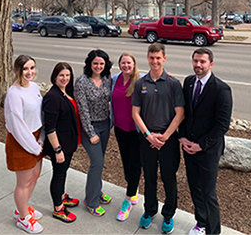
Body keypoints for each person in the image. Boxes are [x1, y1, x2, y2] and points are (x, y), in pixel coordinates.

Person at [132, 43, 185, 234]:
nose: (155, 61)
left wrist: (164, 137)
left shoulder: (173, 84)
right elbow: (135, 113)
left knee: (169, 178)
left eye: (158, 58)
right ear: (147, 58)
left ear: (164, 59)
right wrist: (148, 135)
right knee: (150, 177)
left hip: (168, 139)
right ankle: (149, 211)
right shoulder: (141, 83)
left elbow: (180, 114)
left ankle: (169, 214)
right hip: (147, 140)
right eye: (151, 57)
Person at [179, 48, 233, 235]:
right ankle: (201, 224)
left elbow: (222, 124)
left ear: (211, 64)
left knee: (208, 193)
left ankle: (213, 231)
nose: (198, 65)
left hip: (208, 150)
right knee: (195, 188)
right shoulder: (188, 82)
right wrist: (183, 137)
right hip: (189, 146)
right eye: (195, 61)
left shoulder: (221, 89)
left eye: (202, 62)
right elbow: (185, 114)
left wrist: (201, 145)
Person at [4, 55, 44, 234]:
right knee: (23, 182)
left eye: (32, 68)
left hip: (36, 138)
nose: (30, 72)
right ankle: (22, 218)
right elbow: (17, 126)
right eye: (25, 69)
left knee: (34, 177)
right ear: (16, 70)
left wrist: (41, 140)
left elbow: (40, 114)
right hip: (21, 141)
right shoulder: (13, 93)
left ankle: (23, 208)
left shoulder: (34, 86)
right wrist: (34, 147)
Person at [74, 49, 113, 217]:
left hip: (105, 126)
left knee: (100, 161)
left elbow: (132, 76)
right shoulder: (82, 81)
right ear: (90, 64)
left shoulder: (107, 79)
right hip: (90, 128)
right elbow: (82, 110)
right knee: (96, 162)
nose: (98, 66)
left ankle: (97, 190)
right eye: (95, 63)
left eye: (101, 64)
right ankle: (91, 201)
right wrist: (90, 133)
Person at [42, 62, 79, 223]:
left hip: (68, 142)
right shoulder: (52, 97)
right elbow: (50, 127)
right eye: (61, 75)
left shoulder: (66, 92)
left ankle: (62, 196)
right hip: (59, 145)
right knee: (58, 175)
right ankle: (58, 208)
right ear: (54, 77)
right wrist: (57, 150)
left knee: (63, 173)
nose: (65, 78)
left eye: (67, 75)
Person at [111, 52, 143, 221]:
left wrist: (167, 75)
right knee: (125, 161)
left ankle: (128, 199)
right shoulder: (115, 78)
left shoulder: (140, 79)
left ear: (134, 64)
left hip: (136, 130)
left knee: (135, 163)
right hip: (120, 128)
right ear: (120, 64)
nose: (126, 66)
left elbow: (157, 75)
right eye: (123, 63)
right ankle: (134, 186)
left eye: (129, 63)